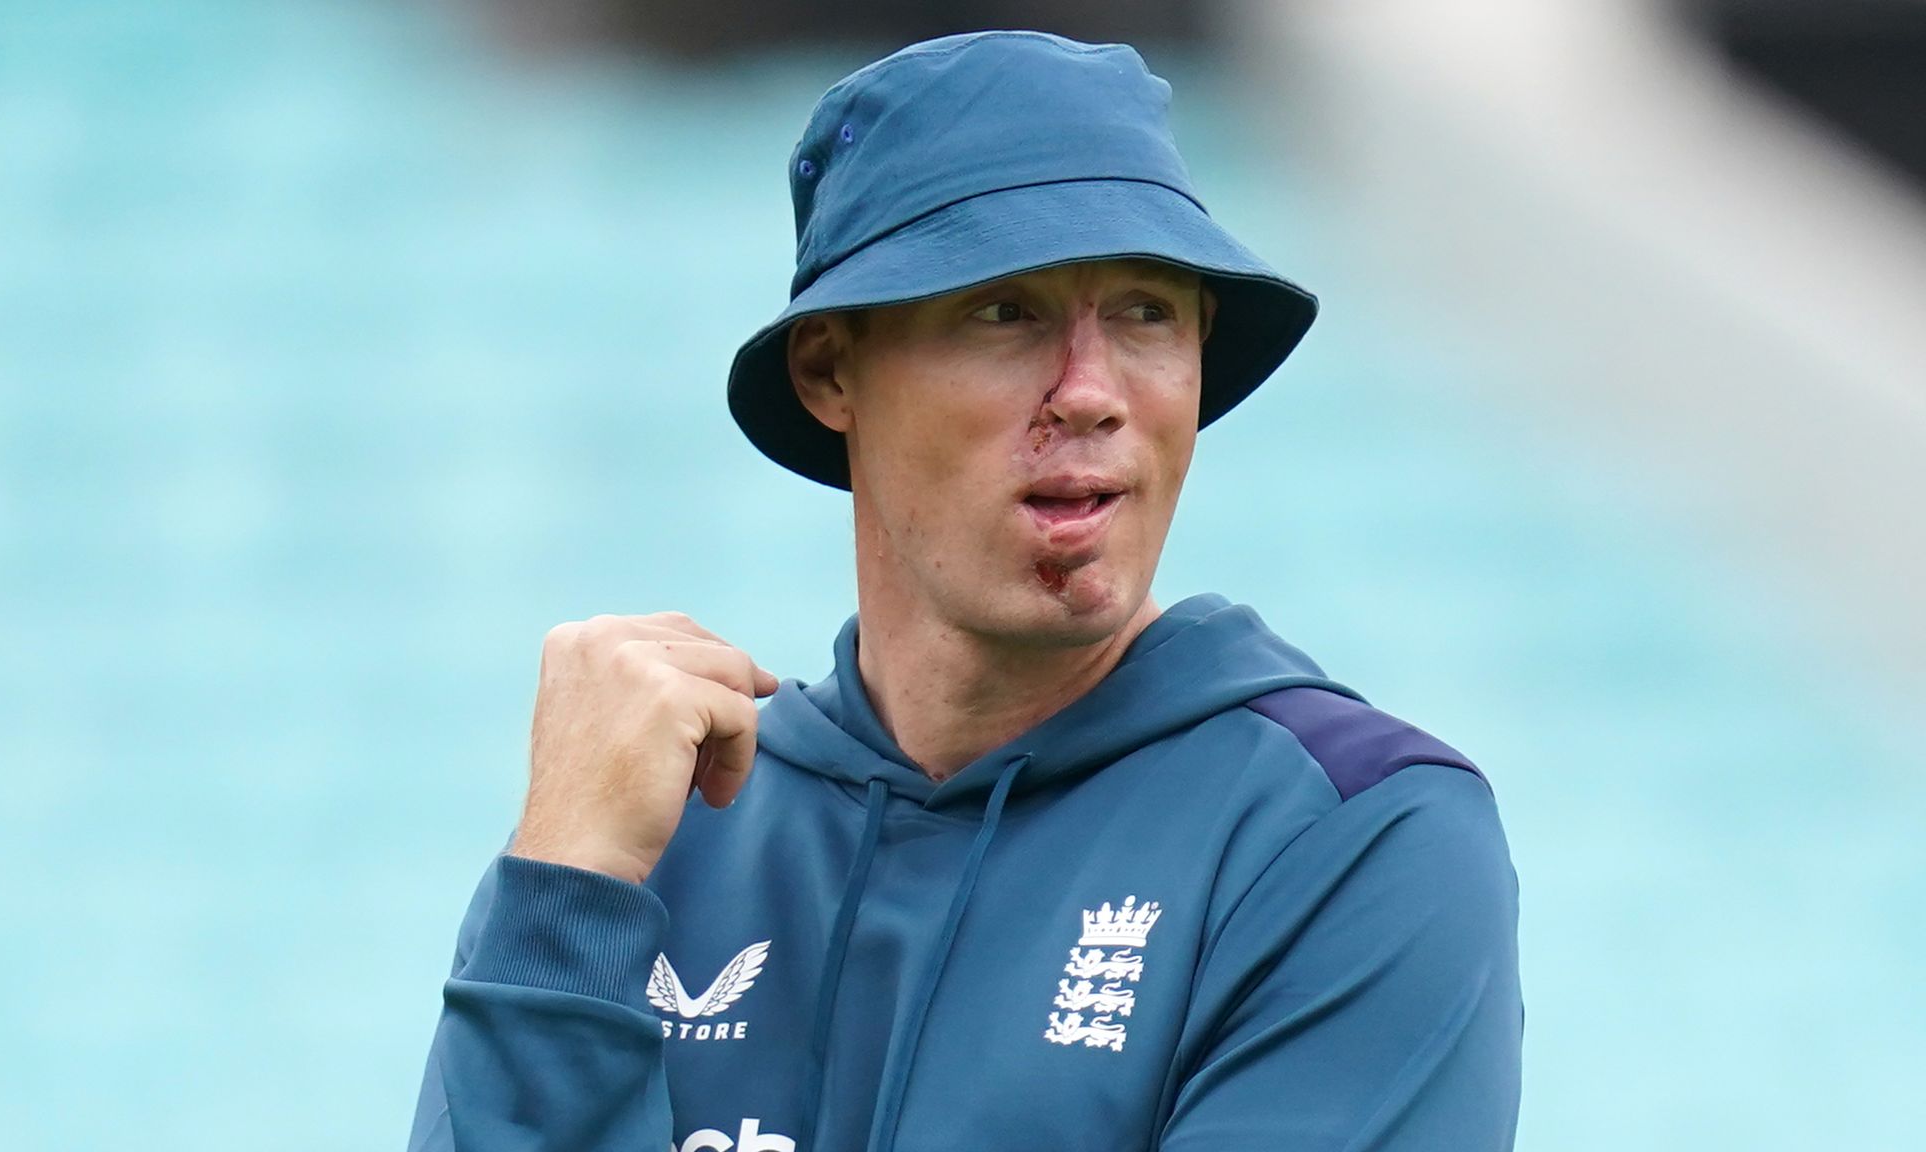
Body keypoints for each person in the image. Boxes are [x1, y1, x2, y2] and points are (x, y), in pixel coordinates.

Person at [404, 29, 1522, 1152]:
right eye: (1004, 310)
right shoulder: (642, 847)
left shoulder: (1346, 835)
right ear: (830, 371)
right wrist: (558, 892)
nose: (1089, 392)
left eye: (1145, 312)